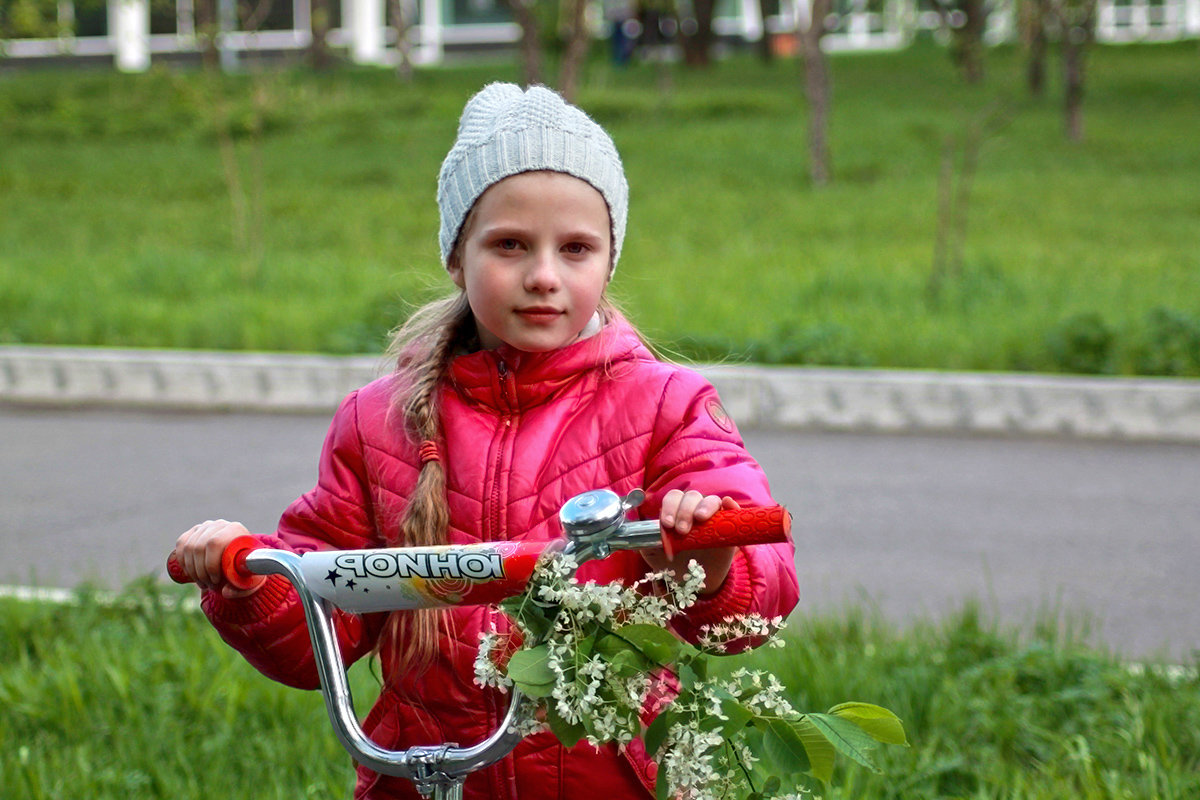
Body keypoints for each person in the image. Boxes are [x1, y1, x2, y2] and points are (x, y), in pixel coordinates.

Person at [171, 83, 799, 800]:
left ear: (610, 260)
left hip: (604, 780)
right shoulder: (379, 422)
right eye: (509, 245)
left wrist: (712, 560)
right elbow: (325, 615)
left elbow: (757, 600)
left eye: (576, 249)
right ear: (455, 256)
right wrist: (252, 581)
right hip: (429, 773)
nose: (542, 276)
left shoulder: (665, 407)